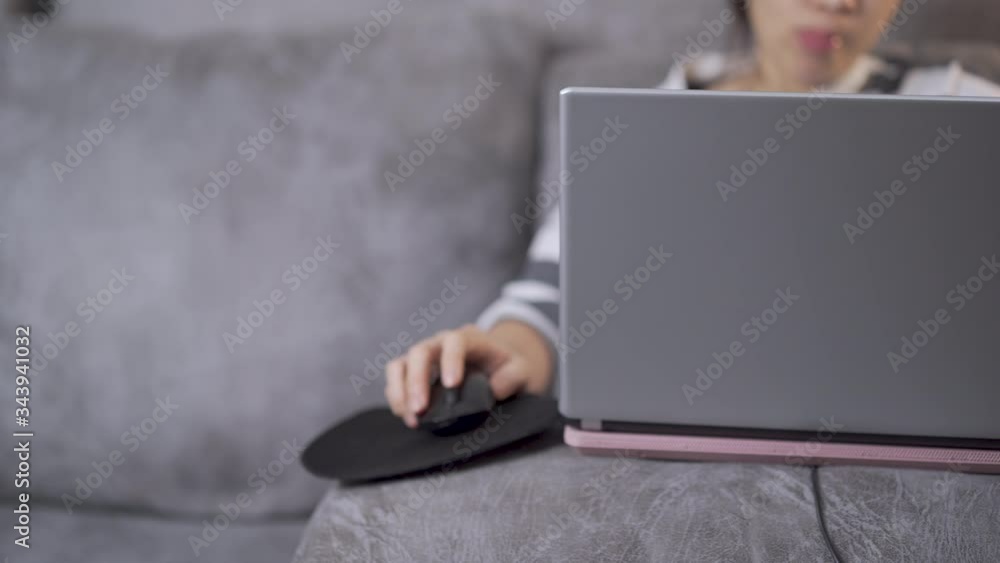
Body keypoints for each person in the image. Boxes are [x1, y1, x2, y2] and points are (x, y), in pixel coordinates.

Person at [385, 0, 1000, 428]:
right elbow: (551, 300)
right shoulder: (655, 115)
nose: (838, 4)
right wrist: (499, 352)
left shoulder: (963, 107)